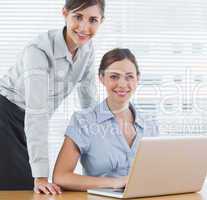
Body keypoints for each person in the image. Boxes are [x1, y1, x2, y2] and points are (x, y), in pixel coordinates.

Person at [0, 0, 105, 194]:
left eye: (93, 20)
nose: (84, 28)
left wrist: (101, 140)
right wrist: (40, 177)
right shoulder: (38, 51)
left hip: (29, 119)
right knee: (21, 187)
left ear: (101, 22)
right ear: (65, 13)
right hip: (6, 114)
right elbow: (36, 112)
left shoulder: (87, 51)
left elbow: (88, 101)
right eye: (78, 17)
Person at [52, 48, 159, 191]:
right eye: (114, 77)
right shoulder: (83, 121)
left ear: (137, 79)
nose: (122, 84)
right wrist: (116, 182)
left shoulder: (150, 124)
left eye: (129, 76)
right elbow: (61, 176)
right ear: (102, 78)